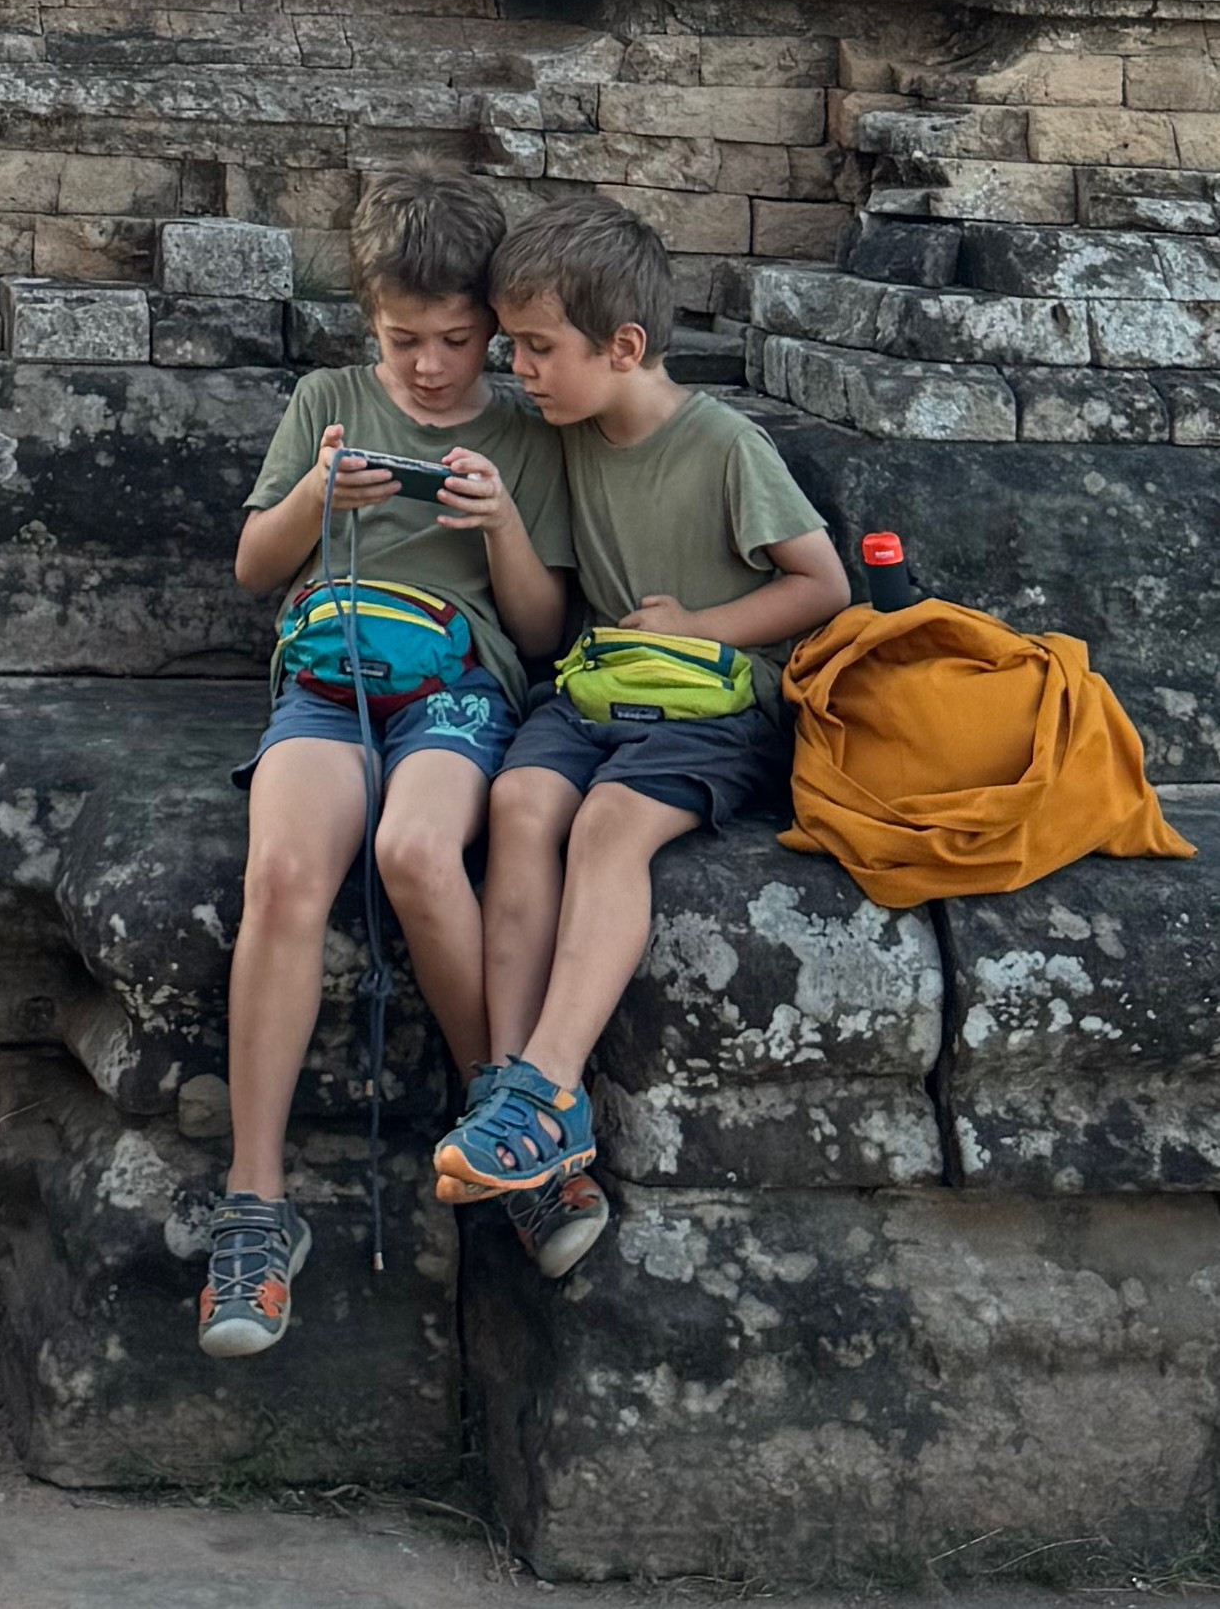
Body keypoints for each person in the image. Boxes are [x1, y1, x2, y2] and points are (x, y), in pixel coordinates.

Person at [432, 197, 850, 1265]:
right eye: (513, 345)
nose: (518, 367)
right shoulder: (565, 436)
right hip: (597, 691)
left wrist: (702, 623)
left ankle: (547, 1083)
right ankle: (513, 1093)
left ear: (624, 346)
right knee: (520, 801)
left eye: (537, 347)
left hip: (714, 703)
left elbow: (823, 582)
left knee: (608, 825)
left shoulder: (721, 443)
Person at [199, 171, 573, 1357]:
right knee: (284, 877)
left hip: (461, 682)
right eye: (403, 339)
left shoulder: (522, 428)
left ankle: (513, 1126)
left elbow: (542, 634)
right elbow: (257, 568)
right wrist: (320, 487)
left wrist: (503, 523)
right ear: (369, 323)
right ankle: (256, 1208)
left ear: (492, 328)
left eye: (456, 341)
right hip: (328, 671)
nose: (427, 366)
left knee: (418, 848)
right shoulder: (330, 397)